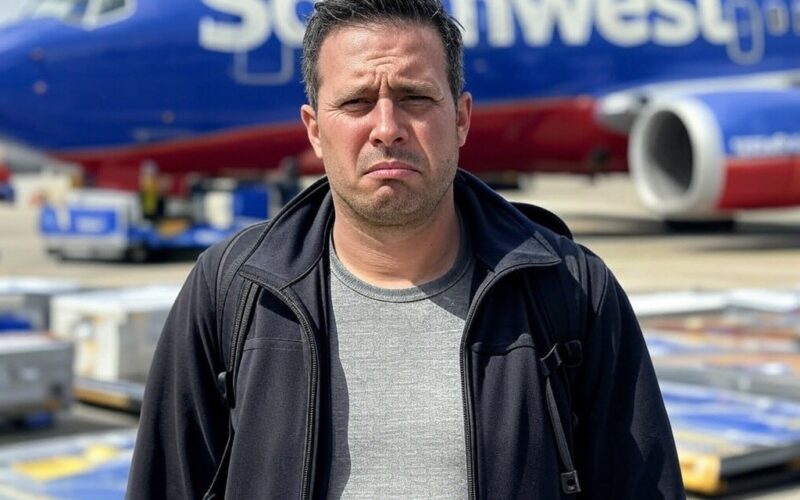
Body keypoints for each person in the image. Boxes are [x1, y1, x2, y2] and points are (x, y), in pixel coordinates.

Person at [127, 1, 684, 498]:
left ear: (461, 118)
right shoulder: (231, 292)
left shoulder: (571, 290)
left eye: (415, 97)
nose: (387, 128)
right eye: (356, 102)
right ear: (315, 129)